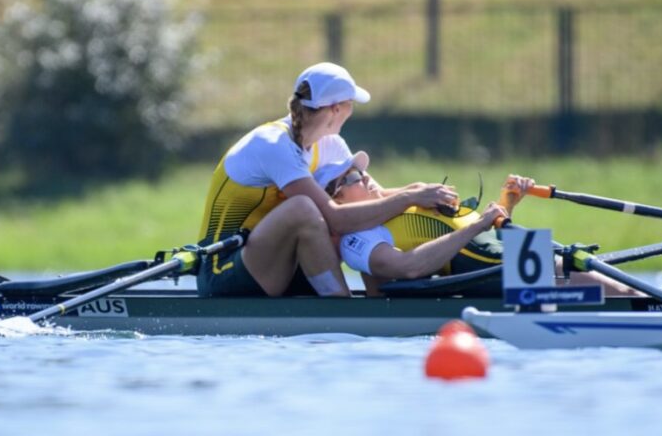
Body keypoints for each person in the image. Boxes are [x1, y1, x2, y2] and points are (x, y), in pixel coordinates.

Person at [196, 62, 459, 298]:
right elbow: (335, 218)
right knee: (304, 209)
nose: (352, 111)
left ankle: (383, 293)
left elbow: (373, 196)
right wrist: (409, 197)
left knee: (359, 203)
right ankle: (341, 305)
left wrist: (419, 190)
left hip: (278, 261)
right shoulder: (274, 145)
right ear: (335, 109)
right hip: (224, 270)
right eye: (350, 104)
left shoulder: (330, 144)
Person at [326, 159, 637, 296]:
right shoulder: (358, 238)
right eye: (352, 177)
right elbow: (407, 267)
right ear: (335, 198)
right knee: (615, 288)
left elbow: (474, 227)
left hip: (492, 251)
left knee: (595, 270)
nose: (365, 177)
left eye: (361, 170)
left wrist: (507, 204)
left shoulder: (396, 202)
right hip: (479, 267)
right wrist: (479, 227)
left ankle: (648, 305)